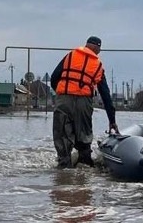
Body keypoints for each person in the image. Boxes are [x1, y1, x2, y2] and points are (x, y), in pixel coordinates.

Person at [50, 36, 118, 168]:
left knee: (62, 136)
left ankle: (64, 168)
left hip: (63, 99)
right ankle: (84, 167)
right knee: (84, 136)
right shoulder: (97, 65)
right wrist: (112, 120)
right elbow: (105, 95)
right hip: (84, 102)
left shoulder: (70, 56)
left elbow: (54, 77)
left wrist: (61, 93)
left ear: (86, 45)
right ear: (97, 48)